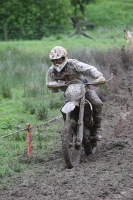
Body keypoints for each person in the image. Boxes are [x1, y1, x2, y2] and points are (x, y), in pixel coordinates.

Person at [46, 46, 105, 141]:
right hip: (69, 95)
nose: (57, 62)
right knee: (64, 110)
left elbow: (88, 69)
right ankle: (69, 130)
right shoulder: (51, 71)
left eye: (59, 59)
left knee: (97, 103)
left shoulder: (73, 64)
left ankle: (97, 130)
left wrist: (98, 76)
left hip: (85, 90)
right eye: (55, 60)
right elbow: (51, 87)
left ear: (64, 57)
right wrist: (53, 85)